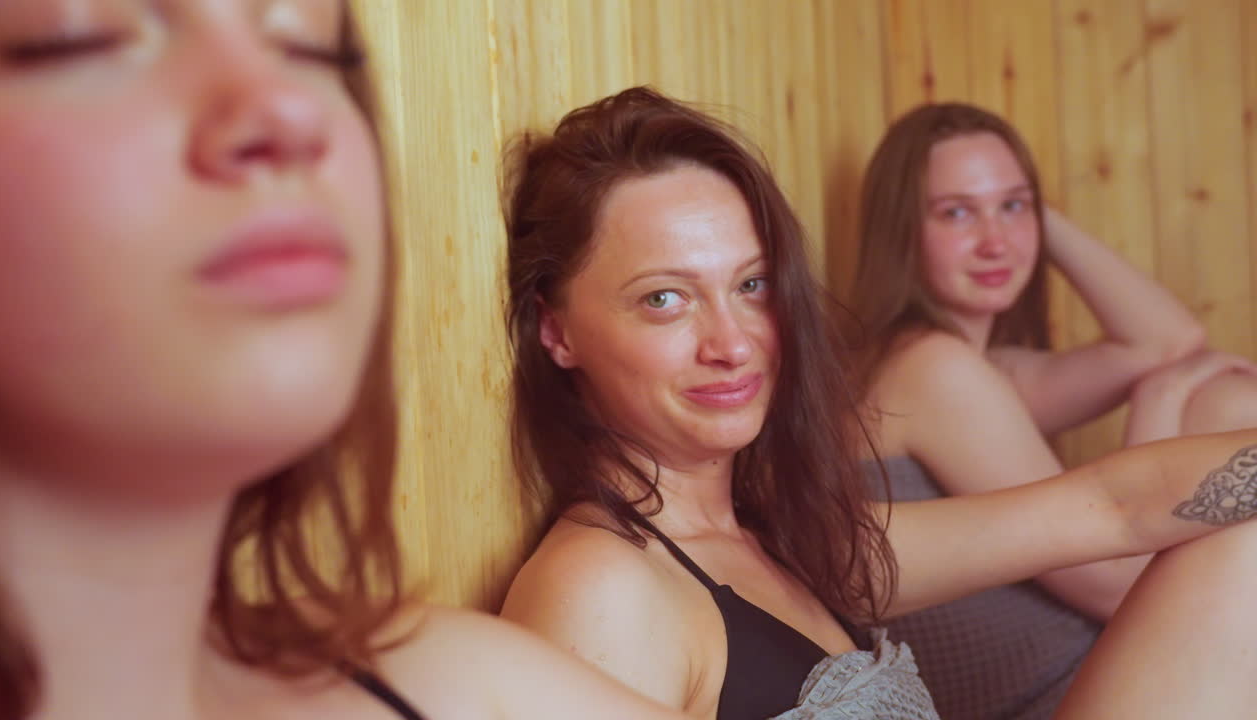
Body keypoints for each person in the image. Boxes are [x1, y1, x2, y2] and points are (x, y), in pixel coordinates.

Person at [0, 3, 693, 719]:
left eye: (312, 50)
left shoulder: (451, 687)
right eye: (78, 38)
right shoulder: (592, 590)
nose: (292, 111)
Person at [498, 85, 1257, 720]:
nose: (732, 342)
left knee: (1237, 538)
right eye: (665, 299)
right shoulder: (603, 589)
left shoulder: (797, 540)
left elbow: (1109, 506)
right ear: (556, 330)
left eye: (751, 286)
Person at [848, 101, 1257, 719]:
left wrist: (1032, 218)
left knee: (1224, 401)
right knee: (1239, 511)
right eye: (956, 212)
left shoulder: (988, 366)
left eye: (1013, 206)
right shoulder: (933, 370)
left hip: (1093, 664)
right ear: (899, 228)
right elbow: (1117, 587)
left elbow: (1164, 341)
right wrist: (1157, 400)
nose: (994, 241)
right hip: (1049, 696)